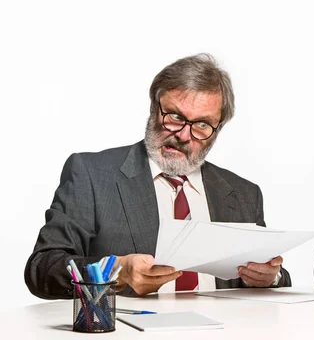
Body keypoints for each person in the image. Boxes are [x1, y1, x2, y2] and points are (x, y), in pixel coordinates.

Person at [25, 53, 291, 299]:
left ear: (217, 128)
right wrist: (114, 271)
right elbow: (42, 268)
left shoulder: (244, 194)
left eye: (201, 124)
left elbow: (274, 279)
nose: (184, 136)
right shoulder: (91, 174)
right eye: (175, 116)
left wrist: (270, 277)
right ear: (154, 108)